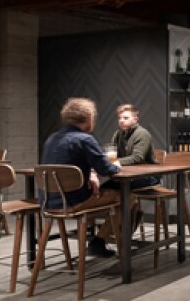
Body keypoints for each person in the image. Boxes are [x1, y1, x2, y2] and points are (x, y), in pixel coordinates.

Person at [40, 97, 127, 257]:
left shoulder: (52, 138)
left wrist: (90, 173)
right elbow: (108, 169)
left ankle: (104, 238)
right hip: (75, 201)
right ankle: (100, 241)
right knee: (128, 196)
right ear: (88, 118)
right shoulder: (85, 139)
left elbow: (66, 165)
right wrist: (116, 166)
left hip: (48, 201)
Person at [110, 104, 158, 188]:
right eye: (119, 118)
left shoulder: (142, 133)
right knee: (103, 185)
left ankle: (127, 201)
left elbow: (137, 157)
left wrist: (115, 162)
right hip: (128, 174)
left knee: (112, 186)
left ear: (135, 120)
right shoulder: (118, 133)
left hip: (147, 176)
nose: (121, 120)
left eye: (125, 118)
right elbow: (112, 152)